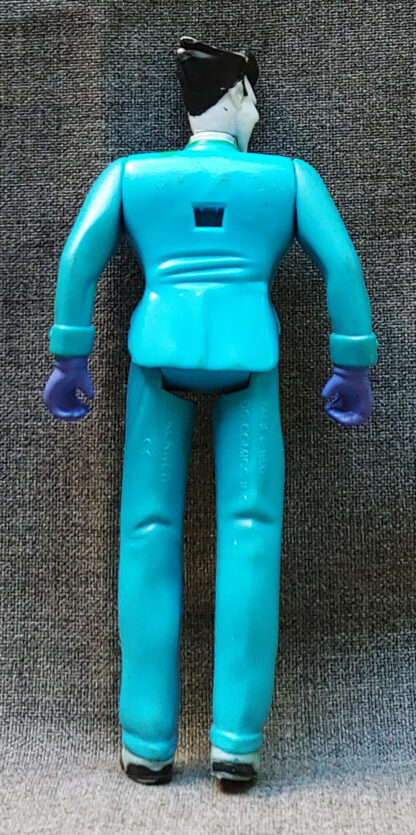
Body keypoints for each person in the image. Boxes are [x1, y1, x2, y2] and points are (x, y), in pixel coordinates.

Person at [44, 37, 377, 785]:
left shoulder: (131, 176)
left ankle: (146, 738)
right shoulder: (289, 180)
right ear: (236, 97)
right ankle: (236, 742)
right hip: (248, 359)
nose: (257, 113)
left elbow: (77, 260)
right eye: (253, 98)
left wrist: (70, 357)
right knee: (252, 532)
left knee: (146, 532)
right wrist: (352, 362)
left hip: (157, 358)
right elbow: (343, 265)